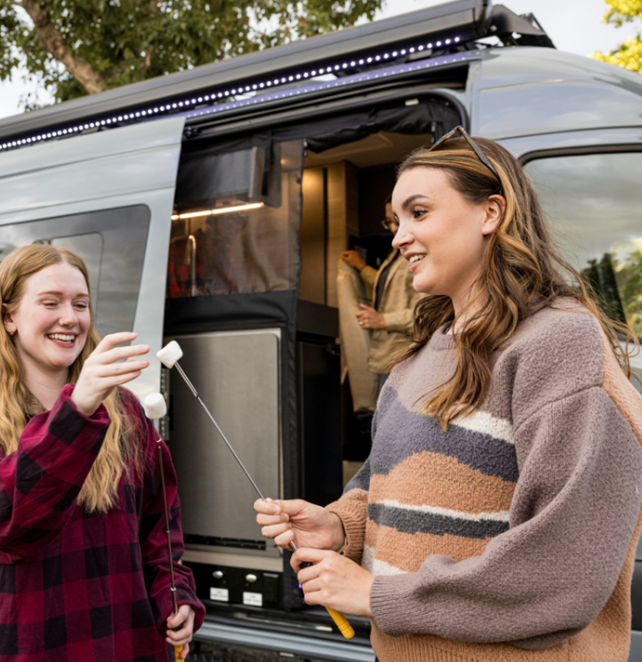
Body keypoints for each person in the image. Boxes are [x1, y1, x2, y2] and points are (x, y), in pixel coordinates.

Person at [255, 128, 642, 661]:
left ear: (490, 213)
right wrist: (340, 526)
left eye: (418, 213)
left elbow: (561, 568)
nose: (397, 238)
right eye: (396, 221)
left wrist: (375, 593)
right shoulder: (413, 363)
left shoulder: (557, 342)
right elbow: (387, 493)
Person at [0, 244, 204, 662]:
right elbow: (4, 521)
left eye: (80, 304)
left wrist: (175, 592)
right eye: (50, 303)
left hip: (128, 644)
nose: (70, 318)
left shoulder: (125, 409)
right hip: (32, 647)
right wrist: (76, 412)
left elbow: (159, 524)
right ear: (9, 318)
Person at [339, 198, 423, 385]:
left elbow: (430, 312)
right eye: (389, 221)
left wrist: (384, 320)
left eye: (396, 220)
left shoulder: (419, 253)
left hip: (409, 356)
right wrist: (361, 268)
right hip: (390, 355)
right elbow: (389, 286)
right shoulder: (398, 252)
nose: (393, 228)